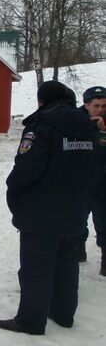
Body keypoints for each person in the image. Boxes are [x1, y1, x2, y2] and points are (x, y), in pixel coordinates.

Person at [0, 80, 96, 335]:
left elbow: (27, 168)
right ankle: (63, 314)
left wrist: (13, 191)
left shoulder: (41, 127)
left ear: (42, 101)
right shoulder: (88, 126)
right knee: (67, 265)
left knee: (36, 268)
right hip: (75, 208)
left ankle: (31, 320)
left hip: (41, 210)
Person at [77, 86, 106, 271]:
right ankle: (78, 252)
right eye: (96, 106)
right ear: (87, 105)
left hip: (103, 182)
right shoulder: (76, 121)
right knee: (78, 221)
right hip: (80, 182)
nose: (100, 110)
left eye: (104, 106)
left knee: (103, 222)